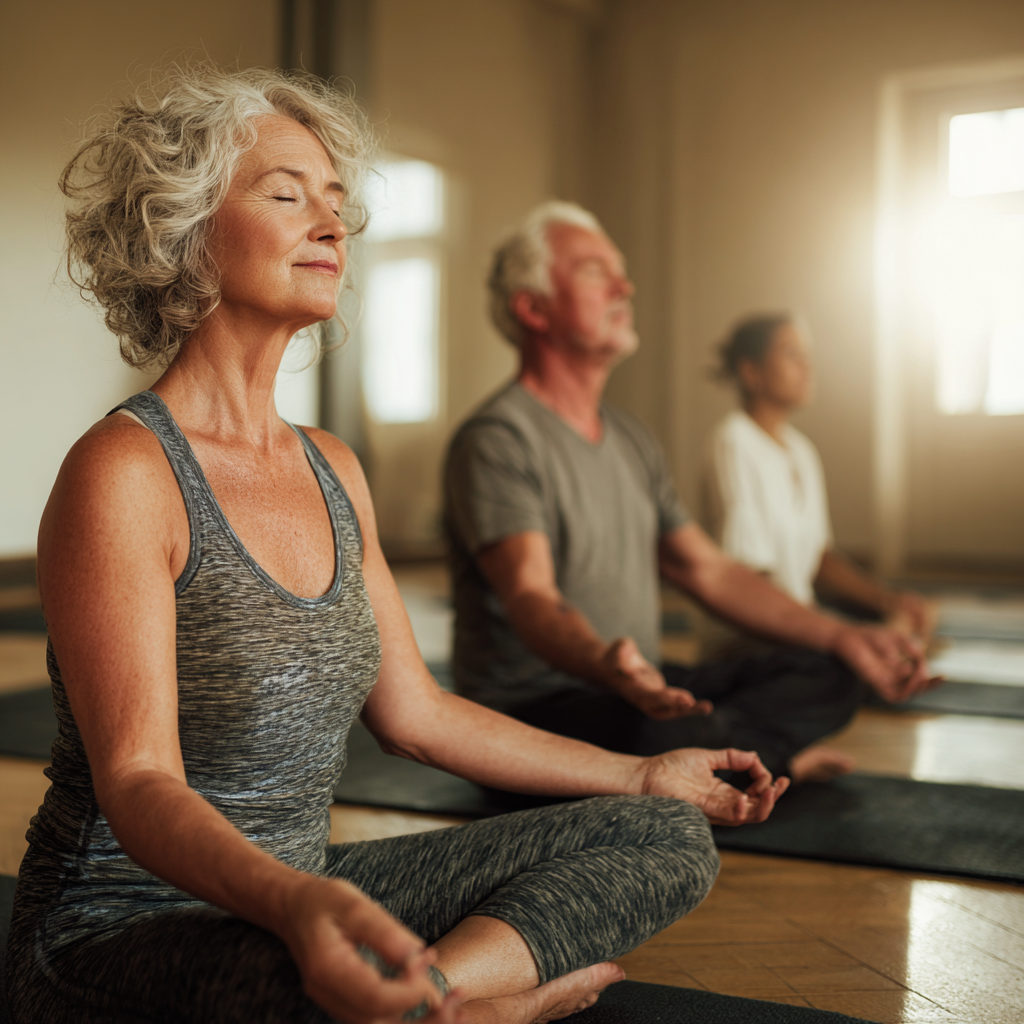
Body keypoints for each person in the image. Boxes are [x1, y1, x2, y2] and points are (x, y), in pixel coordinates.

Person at [4, 67, 790, 1024]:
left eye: (337, 204)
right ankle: (460, 1006)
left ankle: (436, 1003)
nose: (332, 226)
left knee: (664, 834)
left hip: (308, 899)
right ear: (186, 230)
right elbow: (135, 782)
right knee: (297, 990)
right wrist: (296, 904)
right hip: (117, 938)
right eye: (286, 195)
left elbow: (417, 715)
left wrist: (644, 773)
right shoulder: (125, 473)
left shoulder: (333, 468)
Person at [443, 201, 939, 789]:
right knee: (647, 734)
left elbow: (707, 570)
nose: (625, 286)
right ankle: (760, 760)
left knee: (829, 670)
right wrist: (606, 663)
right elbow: (531, 596)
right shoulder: (498, 439)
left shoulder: (630, 437)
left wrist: (845, 635)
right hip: (541, 710)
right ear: (533, 308)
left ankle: (726, 760)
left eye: (620, 269)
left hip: (644, 687)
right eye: (596, 271)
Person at [701, 313, 933, 659]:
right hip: (756, 635)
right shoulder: (734, 442)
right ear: (752, 373)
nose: (807, 367)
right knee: (858, 659)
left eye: (807, 356)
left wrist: (888, 600)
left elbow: (819, 558)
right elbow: (749, 573)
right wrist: (832, 630)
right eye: (792, 355)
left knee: (907, 618)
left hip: (800, 618)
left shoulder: (801, 450)